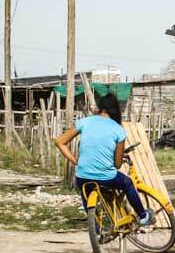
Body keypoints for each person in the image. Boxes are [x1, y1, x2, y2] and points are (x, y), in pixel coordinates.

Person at [55, 93, 154, 226]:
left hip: (82, 176)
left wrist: (75, 161)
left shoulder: (84, 122)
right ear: (115, 110)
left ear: (100, 108)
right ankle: (143, 216)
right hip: (107, 178)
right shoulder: (118, 130)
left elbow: (60, 142)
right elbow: (117, 164)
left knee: (87, 196)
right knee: (128, 183)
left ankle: (96, 230)